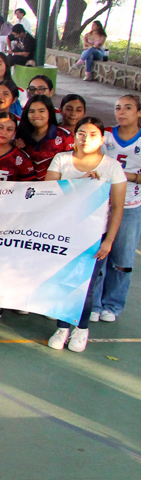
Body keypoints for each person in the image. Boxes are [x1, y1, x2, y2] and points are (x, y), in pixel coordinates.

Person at [46, 118, 127, 352]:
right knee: (63, 281)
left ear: (102, 139)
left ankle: (81, 329)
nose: (85, 138)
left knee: (87, 285)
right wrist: (79, 183)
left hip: (93, 237)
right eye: (81, 133)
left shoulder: (111, 166)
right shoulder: (61, 159)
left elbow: (118, 206)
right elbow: (49, 192)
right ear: (75, 136)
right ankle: (62, 327)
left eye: (92, 134)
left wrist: (109, 240)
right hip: (63, 234)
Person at [97, 95, 141, 324]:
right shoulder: (105, 136)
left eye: (128, 108)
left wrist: (126, 177)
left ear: (139, 112)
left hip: (131, 205)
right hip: (101, 205)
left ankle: (112, 305)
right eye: (117, 108)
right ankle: (93, 303)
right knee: (98, 255)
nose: (121, 112)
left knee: (122, 259)